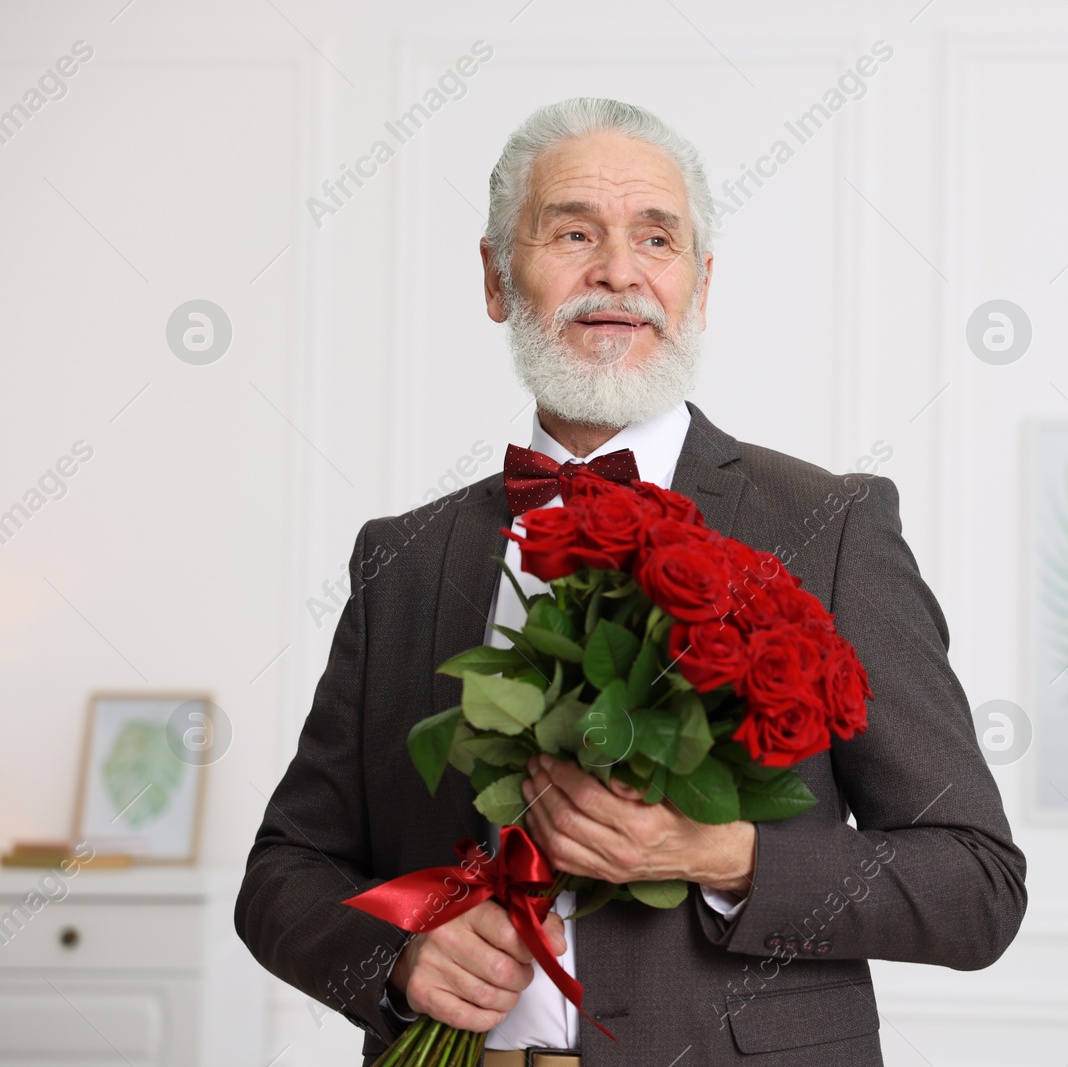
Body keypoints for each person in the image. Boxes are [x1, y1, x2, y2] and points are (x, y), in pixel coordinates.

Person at [236, 96, 1026, 1067]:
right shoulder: (402, 554)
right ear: (494, 275)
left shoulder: (832, 526)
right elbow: (283, 871)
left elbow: (975, 883)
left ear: (699, 284)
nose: (617, 269)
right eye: (573, 231)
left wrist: (724, 855)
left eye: (656, 237)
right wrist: (396, 956)